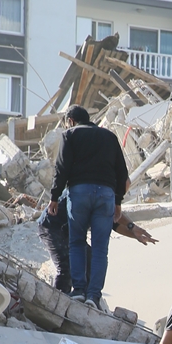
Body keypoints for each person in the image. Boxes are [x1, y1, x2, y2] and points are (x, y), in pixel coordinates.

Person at [48, 104, 129, 309]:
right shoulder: (109, 136)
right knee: (101, 249)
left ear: (71, 121)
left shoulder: (70, 135)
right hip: (106, 195)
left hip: (80, 193)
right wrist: (118, 201)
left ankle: (79, 291)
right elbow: (122, 173)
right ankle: (94, 296)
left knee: (77, 242)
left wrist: (54, 197)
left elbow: (62, 168)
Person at [38, 194, 157, 296]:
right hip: (51, 226)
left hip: (71, 232)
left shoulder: (104, 194)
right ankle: (58, 300)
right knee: (65, 267)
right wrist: (132, 226)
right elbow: (112, 210)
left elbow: (113, 222)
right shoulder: (96, 188)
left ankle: (84, 299)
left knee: (89, 262)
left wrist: (135, 235)